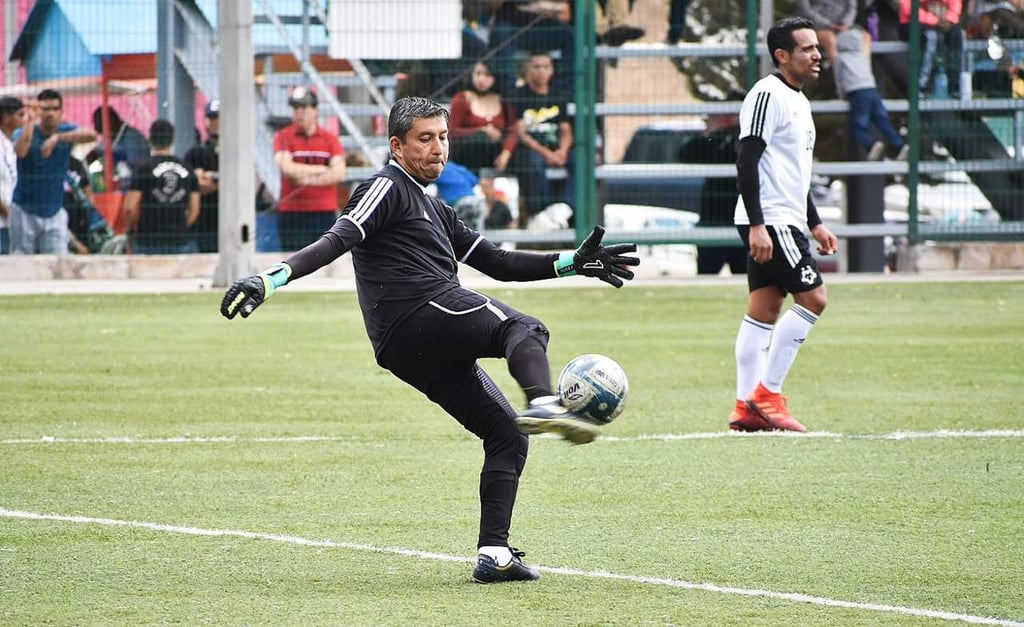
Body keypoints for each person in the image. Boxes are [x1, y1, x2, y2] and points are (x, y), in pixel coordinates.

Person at [219, 96, 640, 584]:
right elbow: (338, 239)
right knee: (524, 329)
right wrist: (270, 279)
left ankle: (494, 554)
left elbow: (499, 262)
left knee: (505, 434)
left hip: (411, 344)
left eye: (442, 137)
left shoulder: (436, 208)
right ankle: (545, 402)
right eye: (425, 139)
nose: (437, 148)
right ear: (397, 145)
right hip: (419, 311)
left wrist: (570, 263)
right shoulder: (385, 185)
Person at [728, 17, 838, 433]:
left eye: (816, 48)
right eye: (808, 49)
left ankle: (745, 405)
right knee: (815, 300)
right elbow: (747, 160)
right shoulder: (767, 94)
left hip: (786, 218)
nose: (817, 55)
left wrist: (815, 222)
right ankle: (766, 396)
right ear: (782, 56)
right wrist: (759, 225)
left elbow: (792, 172)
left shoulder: (799, 100)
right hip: (771, 220)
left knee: (764, 310)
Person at [11, 89, 98, 255]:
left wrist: (57, 138)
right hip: (24, 209)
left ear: (61, 112)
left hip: (54, 211)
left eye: (54, 109)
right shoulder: (24, 132)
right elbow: (21, 151)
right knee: (22, 263)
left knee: (57, 262)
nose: (50, 114)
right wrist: (30, 121)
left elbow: (92, 135)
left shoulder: (66, 131)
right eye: (45, 109)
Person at [272, 87, 347, 251]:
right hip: (292, 212)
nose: (299, 112)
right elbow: (287, 168)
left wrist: (304, 178)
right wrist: (321, 168)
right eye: (295, 108)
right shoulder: (283, 136)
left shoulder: (329, 139)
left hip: (323, 211)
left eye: (304, 108)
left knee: (325, 261)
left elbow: (339, 173)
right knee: (291, 261)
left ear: (315, 111)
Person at [678, 107, 747, 275]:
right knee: (707, 274)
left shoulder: (747, 138)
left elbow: (737, 155)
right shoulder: (714, 140)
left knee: (747, 279)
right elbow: (686, 154)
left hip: (744, 221)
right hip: (713, 218)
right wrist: (713, 132)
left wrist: (730, 129)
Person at [508, 51, 574, 227]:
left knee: (581, 160)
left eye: (546, 67)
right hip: (532, 149)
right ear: (527, 69)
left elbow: (566, 130)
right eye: (536, 66)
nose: (541, 71)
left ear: (552, 70)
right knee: (531, 160)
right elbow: (521, 133)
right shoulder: (518, 95)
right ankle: (543, 212)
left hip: (556, 148)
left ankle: (564, 207)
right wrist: (547, 154)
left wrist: (563, 151)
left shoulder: (558, 95)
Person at [123, 119, 200, 254]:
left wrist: (131, 229)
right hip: (179, 239)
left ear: (150, 139)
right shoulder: (188, 169)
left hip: (148, 239)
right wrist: (181, 226)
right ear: (173, 139)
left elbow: (130, 207)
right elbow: (195, 208)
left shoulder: (143, 168)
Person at [834, 26, 910, 160]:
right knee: (882, 120)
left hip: (857, 92)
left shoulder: (841, 58)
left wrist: (841, 94)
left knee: (858, 125)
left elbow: (839, 77)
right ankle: (899, 144)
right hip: (872, 89)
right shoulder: (862, 54)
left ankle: (871, 144)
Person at [448, 60, 517, 176]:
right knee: (481, 139)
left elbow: (512, 130)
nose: (481, 79)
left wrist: (506, 153)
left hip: (495, 153)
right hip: (467, 153)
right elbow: (452, 131)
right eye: (478, 74)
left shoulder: (502, 100)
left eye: (487, 75)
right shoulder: (462, 98)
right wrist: (481, 130)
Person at [899, 0, 967, 97]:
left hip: (941, 22)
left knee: (959, 34)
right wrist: (935, 20)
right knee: (931, 36)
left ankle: (956, 85)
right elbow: (908, 9)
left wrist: (948, 20)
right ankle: (921, 86)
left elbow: (955, 9)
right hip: (911, 22)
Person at [64, 156, 125, 255]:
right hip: (63, 228)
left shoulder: (75, 163)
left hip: (81, 224)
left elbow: (88, 193)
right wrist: (73, 242)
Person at [184, 98, 220, 252]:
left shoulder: (237, 153)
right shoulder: (197, 153)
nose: (215, 123)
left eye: (219, 118)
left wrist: (211, 177)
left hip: (232, 221)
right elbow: (196, 185)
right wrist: (222, 180)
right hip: (205, 221)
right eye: (212, 118)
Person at [91, 106, 150, 190]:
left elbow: (138, 166)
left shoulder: (132, 138)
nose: (105, 136)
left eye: (105, 132)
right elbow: (97, 152)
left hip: (133, 188)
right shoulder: (111, 139)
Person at [0, 96, 26, 254]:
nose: (24, 120)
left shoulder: (10, 145)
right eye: (20, 115)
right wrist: (6, 211)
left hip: (11, 221)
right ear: (7, 117)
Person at [796, 0, 858, 64]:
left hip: (843, 26)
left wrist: (844, 24)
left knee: (865, 37)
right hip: (816, 27)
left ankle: (862, 72)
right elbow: (805, 11)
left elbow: (851, 9)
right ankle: (836, 70)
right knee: (830, 39)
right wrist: (828, 25)